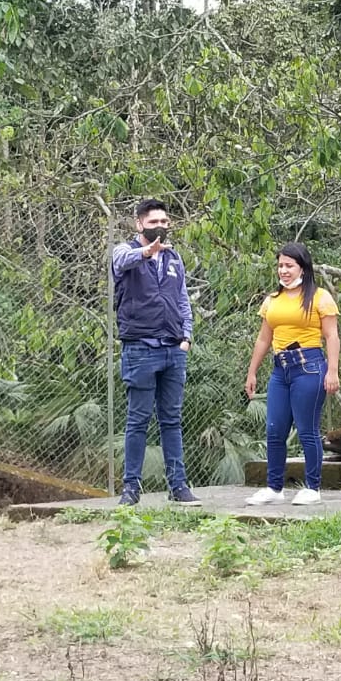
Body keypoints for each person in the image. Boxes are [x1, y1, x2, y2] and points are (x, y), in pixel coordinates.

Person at [111, 199, 200, 506]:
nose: (160, 226)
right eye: (153, 222)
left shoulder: (174, 258)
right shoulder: (125, 252)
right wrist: (147, 252)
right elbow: (122, 262)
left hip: (173, 349)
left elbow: (182, 299)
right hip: (140, 347)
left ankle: (178, 486)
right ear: (139, 224)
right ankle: (131, 488)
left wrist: (186, 336)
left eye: (164, 221)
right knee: (137, 420)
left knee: (171, 420)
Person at [243, 242, 341, 506]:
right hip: (280, 370)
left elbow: (331, 336)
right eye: (280, 266)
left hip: (309, 367)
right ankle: (274, 488)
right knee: (274, 429)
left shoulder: (320, 297)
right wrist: (252, 372)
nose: (283, 271)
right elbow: (264, 338)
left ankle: (313, 487)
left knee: (307, 429)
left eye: (289, 266)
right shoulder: (272, 300)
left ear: (303, 268)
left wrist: (332, 371)